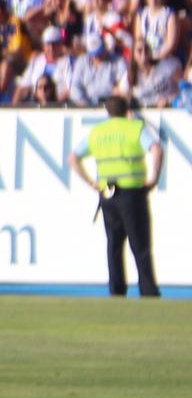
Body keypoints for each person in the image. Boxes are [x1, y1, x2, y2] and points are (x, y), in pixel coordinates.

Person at [69, 96, 161, 298]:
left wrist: (91, 182)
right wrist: (153, 177)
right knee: (140, 244)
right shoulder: (134, 128)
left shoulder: (98, 132)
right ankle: (147, 289)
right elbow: (156, 149)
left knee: (114, 243)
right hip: (132, 191)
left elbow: (73, 157)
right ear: (127, 110)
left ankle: (116, 290)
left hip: (108, 193)